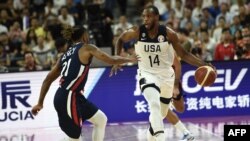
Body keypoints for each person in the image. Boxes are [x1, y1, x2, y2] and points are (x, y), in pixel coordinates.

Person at [110, 5, 216, 141]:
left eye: (148, 16)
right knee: (154, 104)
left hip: (166, 77)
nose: (145, 19)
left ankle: (152, 137)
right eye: (143, 16)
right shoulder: (137, 31)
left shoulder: (169, 34)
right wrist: (116, 59)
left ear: (156, 17)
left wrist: (205, 64)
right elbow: (120, 39)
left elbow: (184, 54)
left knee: (161, 113)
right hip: (147, 74)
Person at [31, 25, 138, 141]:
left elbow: (48, 79)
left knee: (100, 120)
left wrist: (40, 103)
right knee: (75, 138)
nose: (89, 37)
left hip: (74, 96)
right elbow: (110, 59)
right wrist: (130, 59)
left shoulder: (64, 55)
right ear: (84, 35)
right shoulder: (87, 48)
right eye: (87, 34)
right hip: (68, 97)